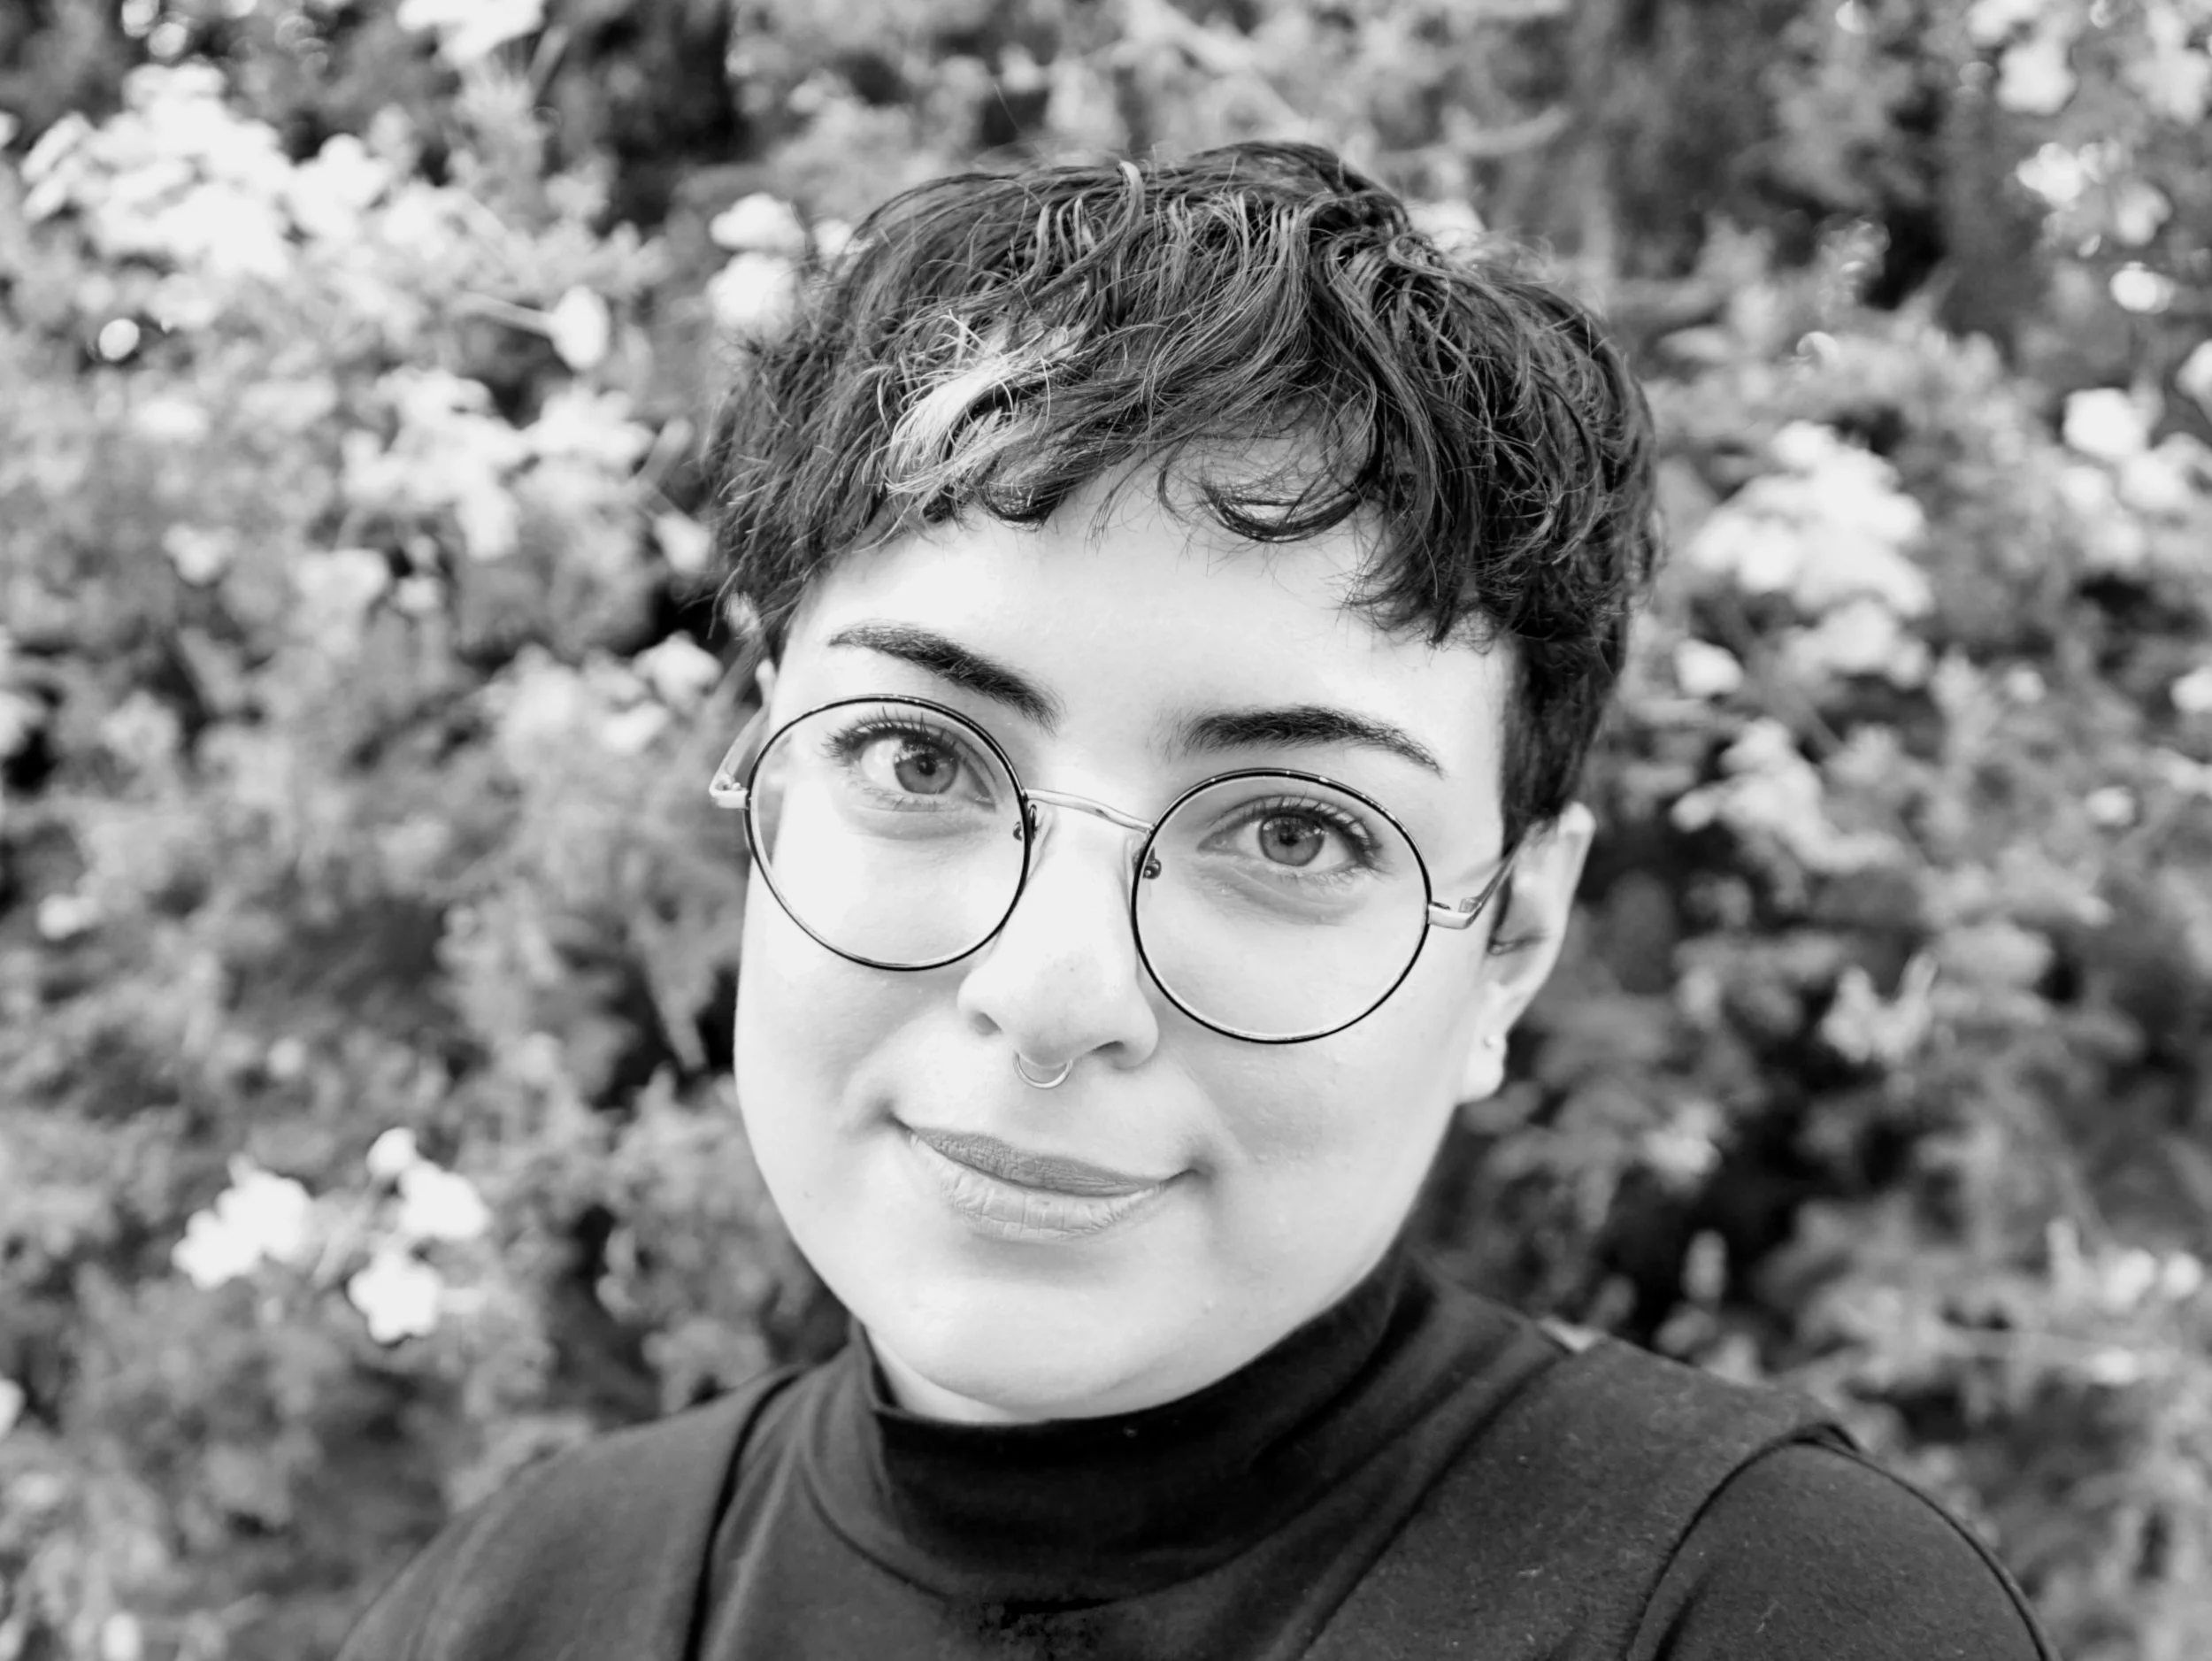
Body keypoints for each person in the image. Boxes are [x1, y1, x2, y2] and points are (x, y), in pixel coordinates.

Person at [337, 142, 2057, 1660]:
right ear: (770, 781)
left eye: (1294, 832)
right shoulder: (511, 1607)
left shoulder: (1767, 1618)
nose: (1052, 990)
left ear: (1510, 946)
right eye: (918, 758)